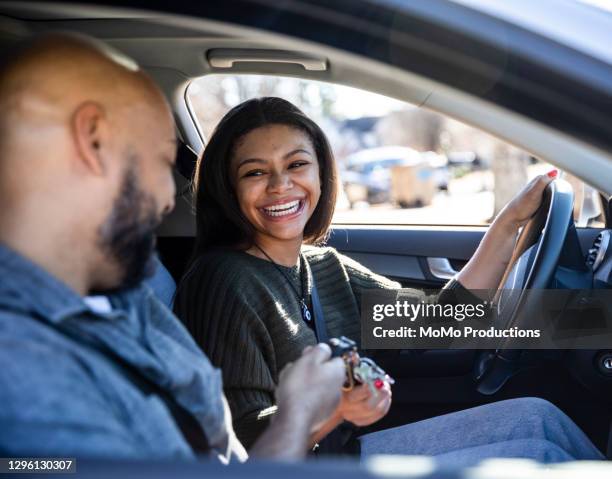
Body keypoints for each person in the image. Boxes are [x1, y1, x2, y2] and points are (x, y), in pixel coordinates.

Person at [173, 97, 604, 464]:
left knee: (536, 417)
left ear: (321, 173)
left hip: (344, 448)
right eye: (255, 172)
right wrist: (336, 408)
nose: (281, 185)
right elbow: (239, 445)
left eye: (297, 164)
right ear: (229, 189)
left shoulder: (322, 266)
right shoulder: (224, 281)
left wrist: (507, 225)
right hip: (312, 467)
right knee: (539, 455)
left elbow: (438, 323)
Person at [0, 34, 347, 461]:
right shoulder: (20, 370)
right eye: (164, 161)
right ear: (93, 141)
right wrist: (300, 415)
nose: (169, 199)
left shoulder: (126, 294)